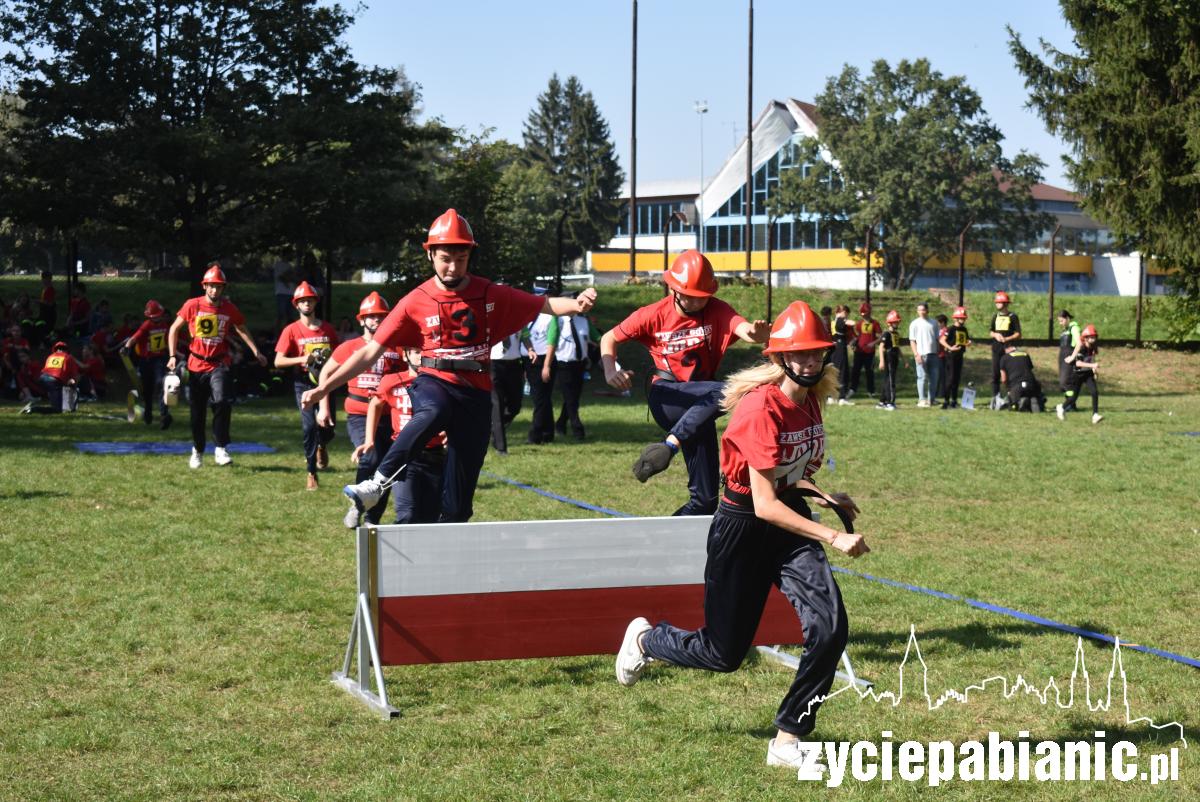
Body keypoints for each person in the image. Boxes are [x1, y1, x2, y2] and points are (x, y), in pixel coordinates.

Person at [614, 300, 869, 771]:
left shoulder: (810, 400)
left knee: (830, 627)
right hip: (742, 527)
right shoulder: (758, 409)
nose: (811, 362)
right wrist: (833, 536)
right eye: (801, 354)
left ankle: (788, 738)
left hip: (785, 523)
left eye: (817, 353)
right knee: (722, 653)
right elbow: (762, 503)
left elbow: (782, 481)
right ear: (779, 357)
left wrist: (825, 495)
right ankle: (647, 642)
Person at [302, 208, 597, 523]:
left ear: (470, 255)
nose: (453, 267)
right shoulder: (414, 300)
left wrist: (577, 304)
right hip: (434, 380)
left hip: (477, 394)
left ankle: (446, 553)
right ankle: (376, 483)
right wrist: (324, 388)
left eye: (461, 258)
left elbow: (544, 304)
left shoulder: (488, 292)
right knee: (434, 410)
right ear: (430, 255)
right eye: (445, 258)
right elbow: (369, 351)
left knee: (458, 507)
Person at [600, 249, 768, 516]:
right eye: (690, 296)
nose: (697, 302)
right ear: (673, 289)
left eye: (702, 297)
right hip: (667, 396)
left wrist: (755, 334)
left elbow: (741, 328)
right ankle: (670, 444)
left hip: (702, 404)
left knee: (705, 502)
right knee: (732, 389)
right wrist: (611, 370)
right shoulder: (652, 314)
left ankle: (661, 544)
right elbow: (609, 338)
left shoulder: (717, 309)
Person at [167, 263, 269, 469]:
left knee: (222, 401)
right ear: (204, 286)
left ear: (223, 288)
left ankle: (221, 447)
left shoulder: (229, 308)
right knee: (197, 414)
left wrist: (256, 350)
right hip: (195, 365)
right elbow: (173, 329)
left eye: (219, 286)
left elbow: (241, 328)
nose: (215, 290)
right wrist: (171, 355)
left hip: (219, 364)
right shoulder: (192, 305)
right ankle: (197, 450)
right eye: (211, 286)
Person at [322, 291, 405, 528]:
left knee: (387, 465)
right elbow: (326, 372)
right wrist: (323, 406)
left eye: (381, 317)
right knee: (371, 458)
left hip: (390, 414)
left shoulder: (396, 348)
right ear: (361, 320)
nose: (376, 321)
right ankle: (357, 503)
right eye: (371, 316)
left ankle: (371, 518)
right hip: (359, 412)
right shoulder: (350, 347)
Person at [353, 348, 446, 524]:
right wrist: (369, 439)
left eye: (426, 351)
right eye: (417, 351)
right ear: (405, 355)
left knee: (432, 517)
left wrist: (449, 429)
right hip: (405, 458)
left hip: (434, 455)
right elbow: (375, 404)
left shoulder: (441, 381)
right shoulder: (393, 380)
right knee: (407, 514)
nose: (421, 356)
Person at [274, 281, 340, 490]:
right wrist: (302, 360)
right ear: (296, 305)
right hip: (303, 384)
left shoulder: (328, 329)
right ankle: (311, 472)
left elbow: (339, 355)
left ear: (315, 303)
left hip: (327, 383)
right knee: (308, 427)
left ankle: (322, 445)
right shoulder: (291, 330)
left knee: (328, 426)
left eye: (309, 300)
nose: (306, 304)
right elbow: (278, 361)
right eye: (302, 301)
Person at [123, 299, 173, 428]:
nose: (159, 318)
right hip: (146, 361)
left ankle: (164, 415)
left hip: (159, 360)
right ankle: (148, 412)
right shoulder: (146, 325)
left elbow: (169, 340)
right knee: (147, 389)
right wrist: (127, 347)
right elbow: (135, 337)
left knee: (161, 383)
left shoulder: (164, 326)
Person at [554, 298, 591, 441]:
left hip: (579, 364)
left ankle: (560, 424)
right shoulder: (558, 321)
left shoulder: (583, 321)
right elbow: (551, 342)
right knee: (571, 398)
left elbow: (589, 339)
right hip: (564, 363)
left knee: (573, 397)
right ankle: (577, 429)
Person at [489, 329, 527, 455]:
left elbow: (525, 336)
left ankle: (494, 429)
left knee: (515, 406)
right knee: (497, 404)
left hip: (514, 364)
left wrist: (530, 349)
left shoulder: (518, 317)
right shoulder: (491, 317)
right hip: (494, 364)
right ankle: (501, 447)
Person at [524, 309, 559, 444]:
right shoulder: (526, 315)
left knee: (540, 399)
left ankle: (535, 435)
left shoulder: (550, 317)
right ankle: (548, 433)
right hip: (529, 360)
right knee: (543, 399)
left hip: (542, 361)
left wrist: (546, 366)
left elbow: (552, 342)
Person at [1057, 324, 1103, 424]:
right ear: (1085, 338)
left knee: (1094, 392)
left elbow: (1092, 359)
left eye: (1094, 337)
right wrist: (1093, 366)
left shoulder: (1093, 347)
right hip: (1078, 374)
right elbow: (1078, 363)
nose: (1093, 339)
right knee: (1073, 398)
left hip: (1088, 373)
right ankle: (1061, 407)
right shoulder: (1081, 348)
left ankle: (1095, 415)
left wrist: (1094, 370)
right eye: (1091, 337)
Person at [988, 291, 1021, 409]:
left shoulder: (1013, 317)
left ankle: (1012, 397)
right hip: (996, 349)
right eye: (996, 302)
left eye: (999, 302)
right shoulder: (995, 316)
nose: (997, 304)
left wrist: (1007, 338)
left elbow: (1018, 334)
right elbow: (991, 331)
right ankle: (995, 398)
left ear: (1005, 303)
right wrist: (995, 335)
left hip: (1009, 350)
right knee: (995, 374)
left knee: (1010, 375)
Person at [908, 302, 940, 407]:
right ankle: (922, 399)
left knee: (934, 378)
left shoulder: (934, 323)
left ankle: (932, 399)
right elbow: (912, 341)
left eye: (923, 309)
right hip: (921, 354)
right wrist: (916, 354)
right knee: (922, 377)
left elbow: (937, 338)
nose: (922, 312)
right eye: (919, 310)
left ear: (927, 310)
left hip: (933, 354)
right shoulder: (914, 324)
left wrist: (938, 351)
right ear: (917, 311)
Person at [998, 344, 1045, 412]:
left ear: (1006, 349)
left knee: (1013, 405)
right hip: (1031, 385)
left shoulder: (1004, 358)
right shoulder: (1025, 355)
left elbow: (1004, 379)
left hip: (1016, 386)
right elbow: (1030, 370)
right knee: (1034, 393)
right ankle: (1035, 400)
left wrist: (1008, 389)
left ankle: (1019, 402)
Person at [36, 341, 80, 413]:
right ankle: (33, 409)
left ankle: (53, 404)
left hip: (42, 379)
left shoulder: (50, 356)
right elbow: (74, 375)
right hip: (54, 381)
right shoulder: (68, 357)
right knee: (57, 410)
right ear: (67, 350)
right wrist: (74, 385)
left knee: (55, 401)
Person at [849, 302, 881, 399]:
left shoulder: (875, 323)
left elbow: (880, 336)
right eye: (862, 313)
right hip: (859, 351)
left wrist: (873, 343)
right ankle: (853, 389)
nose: (864, 315)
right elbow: (857, 336)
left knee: (869, 372)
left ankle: (871, 391)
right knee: (855, 371)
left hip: (870, 353)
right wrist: (853, 343)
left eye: (866, 313)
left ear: (869, 312)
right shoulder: (859, 324)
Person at [940, 307, 971, 408]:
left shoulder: (964, 329)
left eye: (964, 318)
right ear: (956, 318)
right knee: (950, 378)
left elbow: (964, 340)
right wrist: (950, 347)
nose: (964, 320)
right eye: (962, 318)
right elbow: (942, 340)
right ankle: (946, 400)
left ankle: (954, 400)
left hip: (960, 356)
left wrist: (968, 343)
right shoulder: (951, 329)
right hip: (951, 357)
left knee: (957, 379)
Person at [1056, 309, 1082, 412]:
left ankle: (1070, 404)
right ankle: (1070, 405)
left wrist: (1072, 357)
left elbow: (1079, 344)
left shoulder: (1074, 328)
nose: (1060, 323)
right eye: (1059, 321)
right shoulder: (1064, 330)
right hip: (1062, 358)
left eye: (1061, 320)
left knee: (1065, 383)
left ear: (1067, 318)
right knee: (1062, 385)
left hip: (1069, 358)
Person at [877, 310, 902, 410]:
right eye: (895, 322)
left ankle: (882, 401)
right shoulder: (886, 334)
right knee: (891, 381)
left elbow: (897, 347)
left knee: (888, 379)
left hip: (895, 358)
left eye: (897, 321)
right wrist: (882, 361)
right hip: (889, 358)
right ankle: (890, 402)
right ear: (890, 323)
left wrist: (904, 360)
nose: (897, 323)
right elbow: (881, 347)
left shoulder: (896, 334)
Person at [830, 305, 853, 405]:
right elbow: (852, 323)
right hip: (840, 348)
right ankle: (841, 398)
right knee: (842, 371)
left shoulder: (834, 321)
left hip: (835, 347)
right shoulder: (839, 319)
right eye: (846, 312)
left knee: (834, 371)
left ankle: (832, 396)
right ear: (842, 311)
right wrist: (845, 319)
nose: (847, 315)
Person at [37, 272, 56, 343]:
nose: (43, 280)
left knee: (49, 328)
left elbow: (50, 303)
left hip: (49, 313)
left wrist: (39, 302)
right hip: (44, 312)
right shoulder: (45, 289)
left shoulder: (50, 289)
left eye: (45, 279)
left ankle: (50, 342)